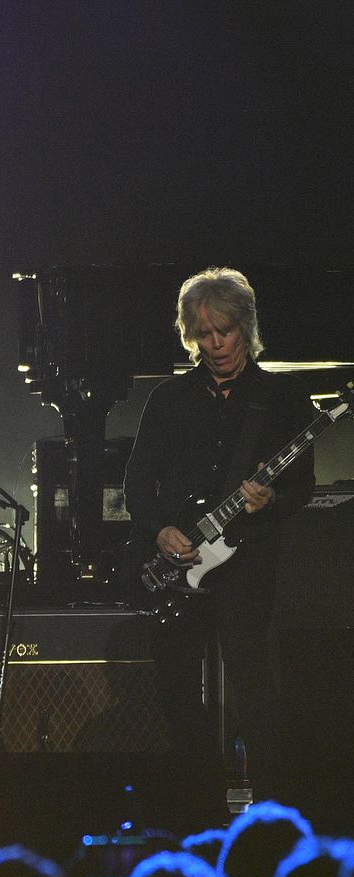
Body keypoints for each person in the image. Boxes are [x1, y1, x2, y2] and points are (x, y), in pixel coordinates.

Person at [123, 266, 315, 794]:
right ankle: (196, 805)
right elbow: (136, 484)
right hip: (179, 566)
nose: (215, 344)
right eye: (203, 335)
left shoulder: (281, 399)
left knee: (256, 694)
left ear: (245, 328)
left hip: (248, 568)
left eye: (224, 332)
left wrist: (271, 497)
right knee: (178, 693)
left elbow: (303, 487)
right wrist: (160, 529)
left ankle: (272, 815)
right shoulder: (168, 400)